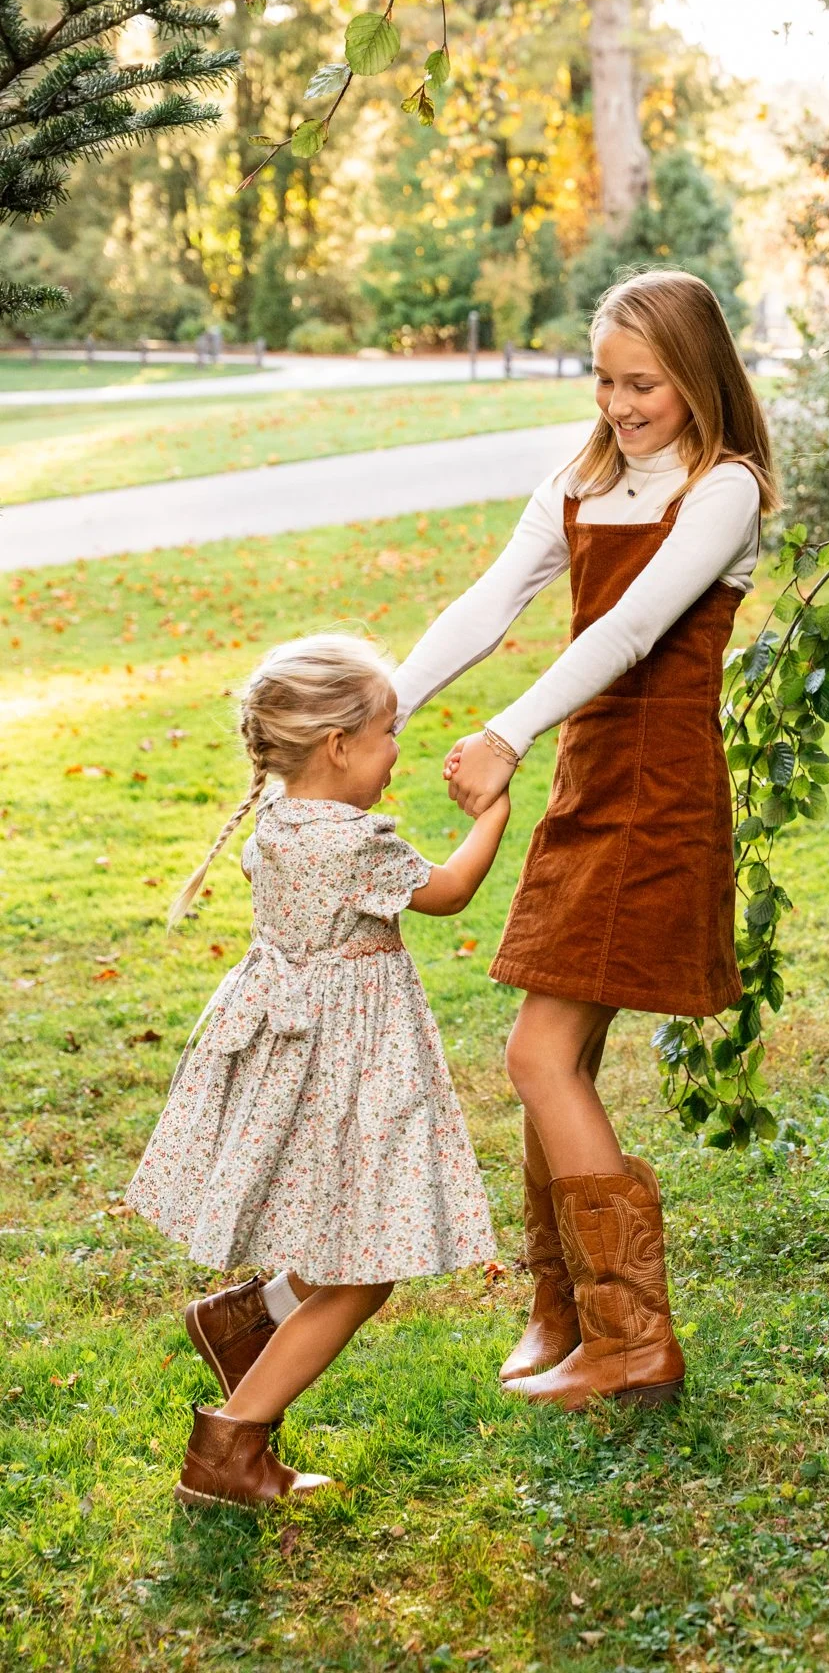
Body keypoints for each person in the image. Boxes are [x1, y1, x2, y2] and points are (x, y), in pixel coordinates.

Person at [393, 269, 779, 1410]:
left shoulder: (725, 490)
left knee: (536, 1053)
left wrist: (507, 730)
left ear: (697, 373)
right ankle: (562, 1307)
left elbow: (634, 625)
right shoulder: (586, 476)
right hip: (589, 780)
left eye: (642, 382)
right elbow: (490, 597)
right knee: (556, 1050)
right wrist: (379, 708)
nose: (617, 402)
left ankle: (629, 1335)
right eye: (604, 379)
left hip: (656, 792)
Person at [125, 634, 508, 1507]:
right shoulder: (355, 842)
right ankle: (230, 1447)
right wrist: (493, 817)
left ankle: (252, 1316)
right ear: (338, 747)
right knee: (365, 1265)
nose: (396, 752)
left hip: (300, 1059)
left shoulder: (280, 822)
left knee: (347, 1228)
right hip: (353, 1066)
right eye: (386, 735)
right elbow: (447, 893)